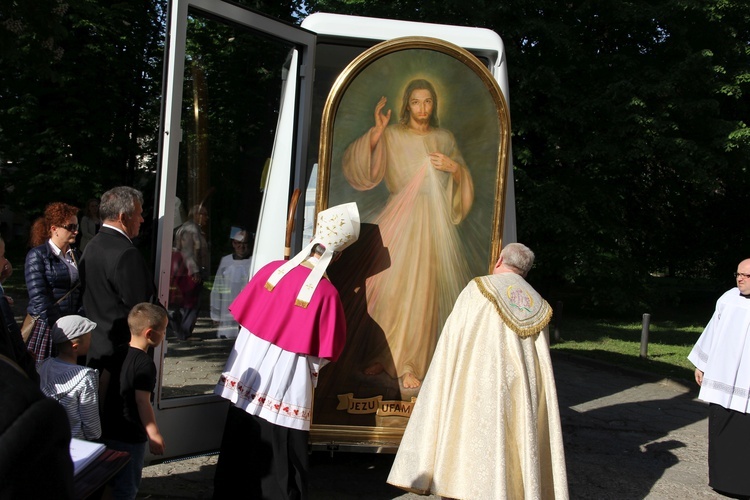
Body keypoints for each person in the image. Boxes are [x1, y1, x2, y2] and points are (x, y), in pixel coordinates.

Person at [387, 243, 569, 499]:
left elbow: (452, 339)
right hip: (518, 396)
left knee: (465, 448)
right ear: (525, 272)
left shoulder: (479, 289)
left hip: (474, 388)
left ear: (499, 260)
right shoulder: (538, 304)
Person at [212, 202, 360, 499]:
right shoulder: (326, 293)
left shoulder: (270, 270)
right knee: (281, 456)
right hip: (286, 384)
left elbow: (246, 321)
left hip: (247, 375)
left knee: (239, 447)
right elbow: (325, 352)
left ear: (311, 242)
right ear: (338, 255)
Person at [342, 78, 474, 389]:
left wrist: (454, 168)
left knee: (422, 293)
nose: (423, 108)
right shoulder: (392, 134)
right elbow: (361, 171)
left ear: (435, 105)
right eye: (416, 102)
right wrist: (376, 131)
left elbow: (462, 179)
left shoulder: (444, 137)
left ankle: (411, 362)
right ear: (407, 105)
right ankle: (381, 355)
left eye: (428, 102)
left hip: (430, 223)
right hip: (397, 218)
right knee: (386, 286)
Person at [688, 258, 750, 499]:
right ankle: (724, 480)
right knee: (723, 427)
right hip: (724, 378)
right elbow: (712, 332)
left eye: (746, 275)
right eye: (738, 274)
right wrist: (702, 364)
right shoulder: (728, 299)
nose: (740, 278)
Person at [80, 186, 154, 370]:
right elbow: (140, 307)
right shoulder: (126, 254)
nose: (142, 220)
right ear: (123, 217)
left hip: (95, 346)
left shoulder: (91, 246)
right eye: (138, 214)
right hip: (120, 354)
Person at [99, 302, 167, 500]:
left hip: (109, 428)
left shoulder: (117, 351)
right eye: (163, 331)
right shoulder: (145, 364)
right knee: (127, 486)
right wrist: (153, 434)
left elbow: (103, 382)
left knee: (108, 480)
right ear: (149, 333)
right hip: (130, 436)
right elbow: (141, 401)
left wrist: (103, 413)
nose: (164, 336)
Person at [24, 202, 83, 364]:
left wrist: (78, 320)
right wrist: (59, 327)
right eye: (70, 227)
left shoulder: (75, 255)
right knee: (44, 374)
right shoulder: (37, 255)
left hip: (72, 329)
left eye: (76, 226)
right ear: (54, 228)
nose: (76, 231)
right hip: (48, 328)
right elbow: (38, 297)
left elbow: (81, 290)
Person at [38, 315, 101, 441]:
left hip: (47, 440)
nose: (91, 340)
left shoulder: (43, 366)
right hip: (76, 444)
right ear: (75, 347)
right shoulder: (85, 377)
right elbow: (90, 422)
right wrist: (96, 438)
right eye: (89, 338)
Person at [171, 204, 209, 340]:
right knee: (191, 302)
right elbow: (187, 252)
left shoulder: (191, 229)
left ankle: (182, 331)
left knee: (188, 301)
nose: (206, 217)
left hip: (185, 269)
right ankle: (184, 332)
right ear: (196, 215)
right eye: (204, 214)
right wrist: (194, 271)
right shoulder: (190, 230)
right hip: (188, 271)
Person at [210, 227, 252, 339]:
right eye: (238, 243)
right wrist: (215, 314)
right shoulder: (226, 261)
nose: (241, 246)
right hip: (227, 309)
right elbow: (217, 287)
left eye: (245, 243)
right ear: (233, 243)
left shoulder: (253, 261)